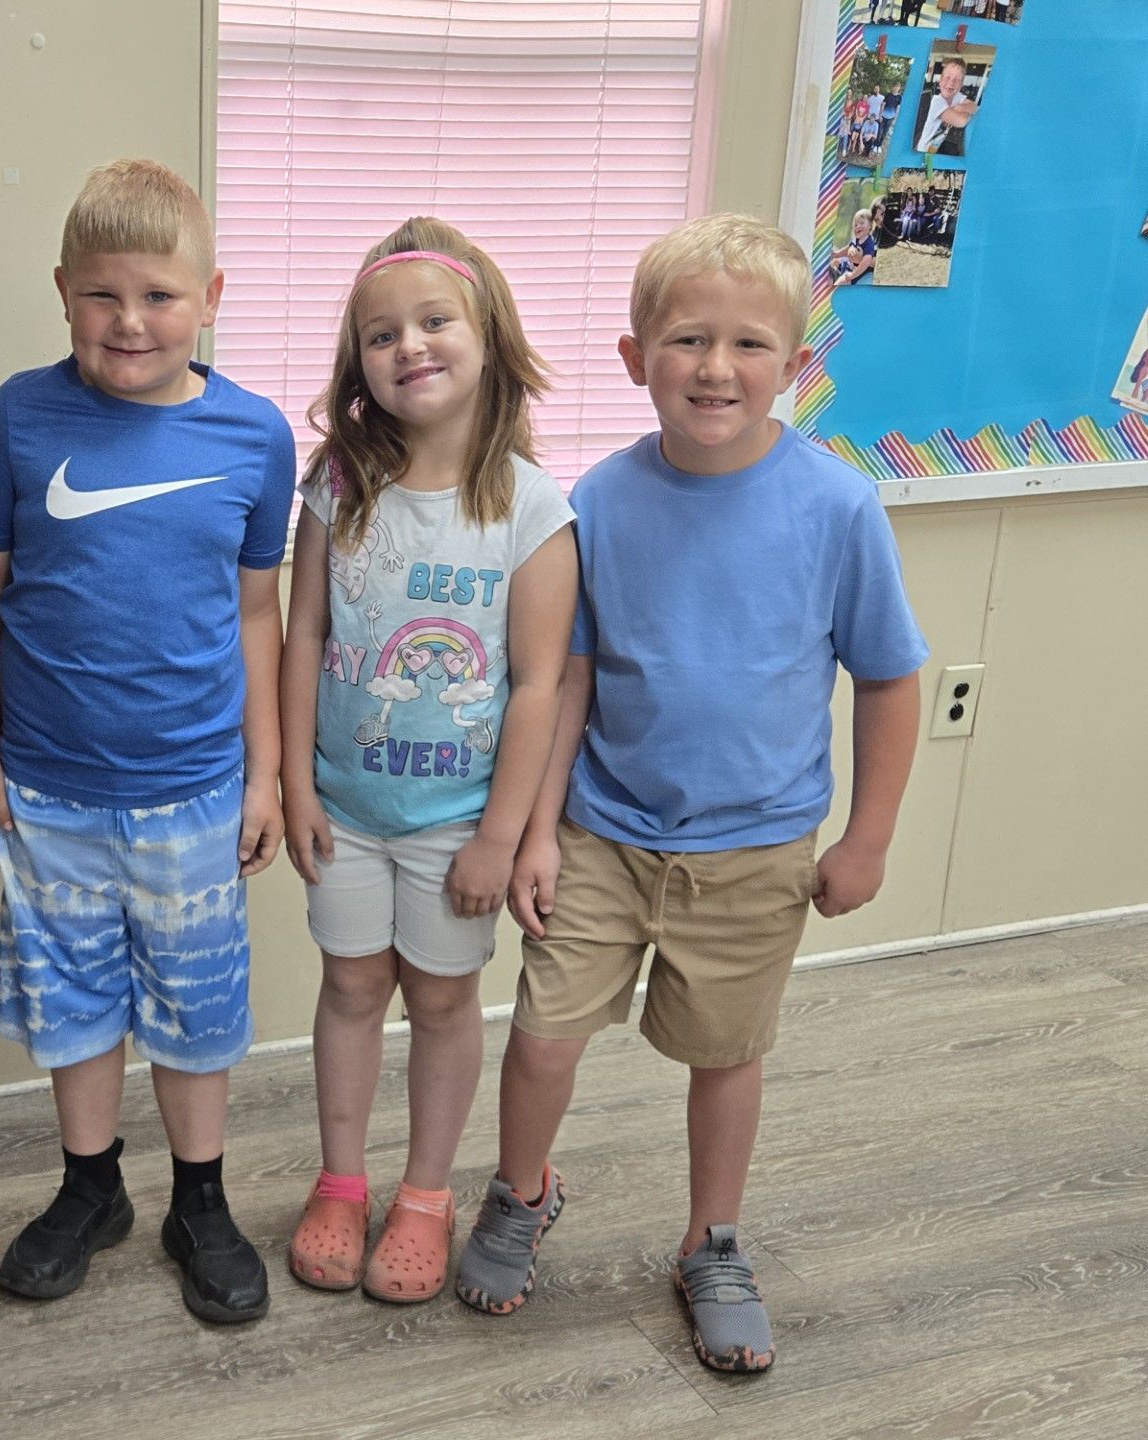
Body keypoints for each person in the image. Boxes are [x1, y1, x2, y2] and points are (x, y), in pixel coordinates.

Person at [453, 214, 926, 1373]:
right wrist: (536, 834)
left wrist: (866, 839)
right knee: (543, 1040)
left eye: (750, 344)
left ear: (795, 362)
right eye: (688, 340)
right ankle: (521, 1191)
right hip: (601, 835)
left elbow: (888, 678)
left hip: (756, 851)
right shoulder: (600, 502)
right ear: (636, 358)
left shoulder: (839, 509)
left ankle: (712, 1240)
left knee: (726, 1056)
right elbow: (569, 678)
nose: (717, 368)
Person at [0, 159, 296, 1323]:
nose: (130, 321)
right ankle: (90, 1187)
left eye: (159, 296)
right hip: (47, 790)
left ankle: (199, 1201)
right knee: (75, 1000)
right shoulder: (15, 418)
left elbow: (259, 615)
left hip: (195, 791)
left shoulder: (252, 435)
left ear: (210, 296)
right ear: (63, 291)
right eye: (103, 295)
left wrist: (265, 775)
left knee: (195, 1010)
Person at [280, 219, 576, 1303]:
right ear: (357, 363)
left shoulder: (531, 508)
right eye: (380, 334)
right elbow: (304, 636)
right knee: (352, 987)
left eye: (434, 321)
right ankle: (342, 1182)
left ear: (487, 337)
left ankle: (424, 1195)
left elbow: (539, 683)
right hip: (346, 811)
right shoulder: (336, 486)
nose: (409, 345)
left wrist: (501, 836)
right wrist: (295, 785)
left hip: (458, 824)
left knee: (444, 1004)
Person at [916, 57, 978, 155]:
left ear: (961, 85)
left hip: (936, 147)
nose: (951, 82)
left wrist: (960, 108)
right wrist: (964, 111)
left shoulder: (957, 96)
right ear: (940, 80)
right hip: (923, 150)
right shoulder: (937, 102)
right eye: (947, 77)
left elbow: (974, 106)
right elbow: (961, 121)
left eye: (957, 80)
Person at [831, 209, 879, 285]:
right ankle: (837, 272)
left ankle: (836, 282)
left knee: (841, 281)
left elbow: (866, 261)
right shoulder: (857, 239)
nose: (858, 226)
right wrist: (837, 254)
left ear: (870, 225)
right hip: (852, 266)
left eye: (862, 223)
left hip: (861, 272)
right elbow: (847, 249)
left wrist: (853, 275)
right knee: (835, 262)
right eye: (855, 225)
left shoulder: (869, 243)